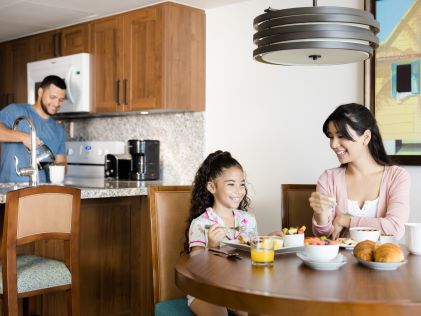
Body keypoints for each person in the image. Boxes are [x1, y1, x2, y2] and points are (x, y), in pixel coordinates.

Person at [184, 150, 282, 316]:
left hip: (239, 287)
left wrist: (266, 240)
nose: (239, 190)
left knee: (260, 310)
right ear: (211, 187)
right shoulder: (201, 224)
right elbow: (194, 266)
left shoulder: (248, 220)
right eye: (231, 184)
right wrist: (212, 246)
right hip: (206, 289)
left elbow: (252, 253)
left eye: (242, 184)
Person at [309, 103, 410, 240]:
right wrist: (319, 212)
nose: (333, 144)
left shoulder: (396, 177)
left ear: (366, 137)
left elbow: (395, 229)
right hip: (341, 260)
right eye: (331, 136)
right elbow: (325, 237)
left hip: (381, 260)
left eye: (341, 136)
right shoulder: (328, 178)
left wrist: (345, 220)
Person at [0, 75, 67, 183]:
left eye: (61, 100)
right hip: (9, 189)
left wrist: (58, 168)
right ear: (40, 92)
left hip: (41, 192)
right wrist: (24, 137)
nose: (56, 103)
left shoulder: (59, 130)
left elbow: (62, 161)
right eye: (53, 97)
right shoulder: (15, 111)